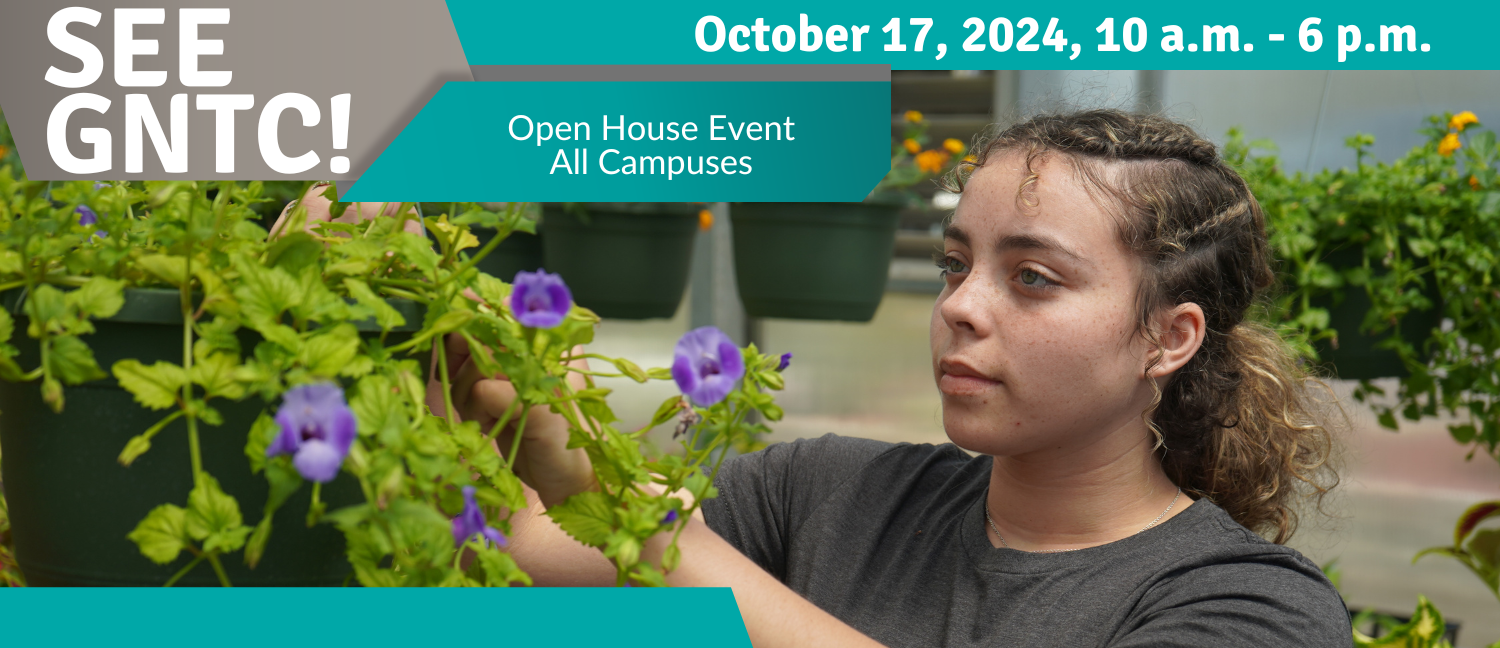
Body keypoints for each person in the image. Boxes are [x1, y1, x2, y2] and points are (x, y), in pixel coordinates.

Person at [446, 109, 1353, 647]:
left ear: (1168, 337)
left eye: (1033, 277)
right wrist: (418, 305)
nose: (960, 305)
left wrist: (660, 541)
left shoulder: (1250, 607)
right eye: (958, 265)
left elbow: (656, 548)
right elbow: (518, 545)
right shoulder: (830, 493)